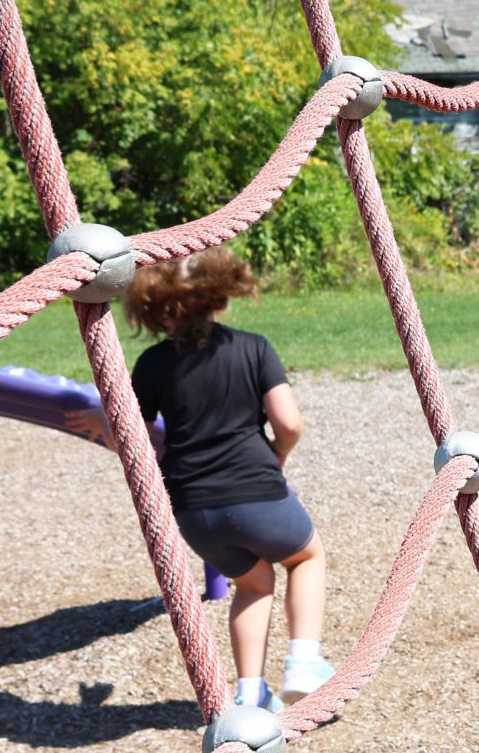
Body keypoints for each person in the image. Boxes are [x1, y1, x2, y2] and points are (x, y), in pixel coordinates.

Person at [66, 246, 333, 711]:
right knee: (305, 559)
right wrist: (276, 456)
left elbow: (132, 437)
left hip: (192, 510)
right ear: (221, 299)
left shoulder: (153, 364)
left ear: (157, 310)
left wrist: (101, 423)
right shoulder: (253, 347)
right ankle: (304, 663)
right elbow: (290, 423)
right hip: (256, 490)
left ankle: (251, 693)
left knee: (252, 583)